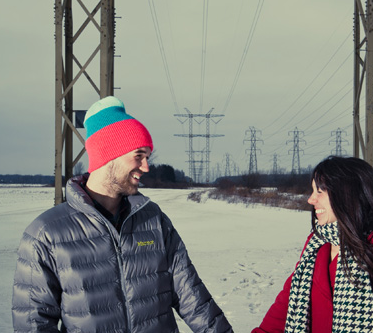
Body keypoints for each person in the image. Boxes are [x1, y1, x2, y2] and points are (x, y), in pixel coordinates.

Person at [12, 96, 233, 333]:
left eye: (147, 157)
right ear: (109, 154)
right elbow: (34, 324)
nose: (146, 167)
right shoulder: (46, 233)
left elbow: (192, 297)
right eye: (139, 155)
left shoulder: (154, 220)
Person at [251, 156, 373, 333]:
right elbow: (287, 301)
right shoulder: (317, 243)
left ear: (348, 195)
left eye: (320, 191)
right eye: (312, 191)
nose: (311, 199)